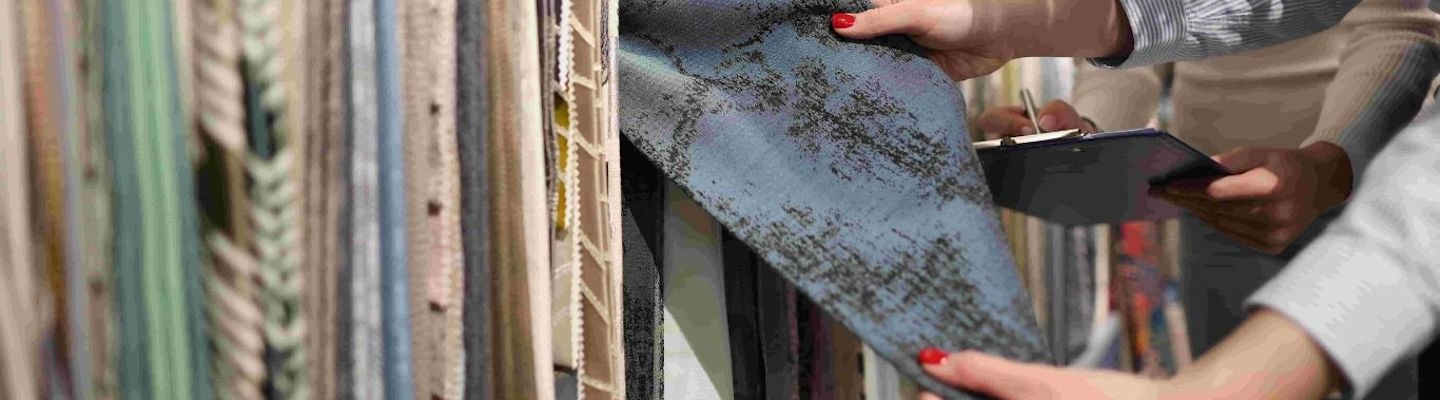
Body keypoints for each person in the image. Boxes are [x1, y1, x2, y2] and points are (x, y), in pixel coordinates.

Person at [829, 0, 1439, 397]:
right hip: (1209, 187)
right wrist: (1086, 126)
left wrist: (1333, 162)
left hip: (1365, 183)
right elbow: (1158, 28)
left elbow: (1398, 23)